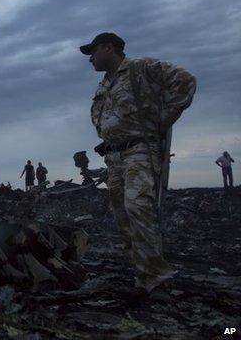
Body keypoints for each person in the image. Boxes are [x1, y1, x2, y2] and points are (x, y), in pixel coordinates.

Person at [81, 32, 196, 295]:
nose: (91, 59)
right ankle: (142, 274)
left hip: (139, 152)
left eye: (93, 52)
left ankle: (156, 279)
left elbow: (186, 81)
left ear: (109, 48)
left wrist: (162, 121)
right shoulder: (104, 84)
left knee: (138, 208)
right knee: (123, 215)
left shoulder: (141, 68)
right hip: (114, 156)